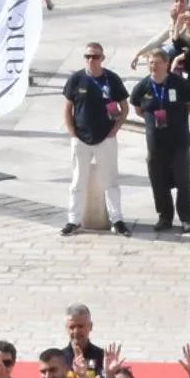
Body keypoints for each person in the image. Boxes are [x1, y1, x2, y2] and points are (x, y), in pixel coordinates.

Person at [61, 40, 131, 237]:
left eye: (95, 56)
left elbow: (124, 108)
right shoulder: (76, 79)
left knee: (110, 181)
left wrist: (114, 131)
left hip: (105, 138)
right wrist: (72, 132)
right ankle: (73, 220)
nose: (91, 60)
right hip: (81, 138)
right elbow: (67, 107)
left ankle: (117, 219)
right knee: (78, 181)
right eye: (88, 56)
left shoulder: (112, 79)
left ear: (102, 58)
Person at [131, 47, 190, 233]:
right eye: (150, 63)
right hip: (156, 142)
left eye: (157, 62)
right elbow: (138, 109)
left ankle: (186, 218)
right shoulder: (143, 86)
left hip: (179, 140)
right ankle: (164, 217)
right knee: (158, 181)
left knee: (183, 180)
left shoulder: (179, 83)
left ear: (166, 64)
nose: (154, 66)